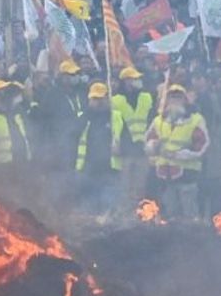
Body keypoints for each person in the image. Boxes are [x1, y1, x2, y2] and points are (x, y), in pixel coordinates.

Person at [144, 84, 209, 219]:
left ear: (185, 100)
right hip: (164, 174)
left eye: (178, 97)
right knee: (169, 213)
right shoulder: (158, 120)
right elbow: (149, 141)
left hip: (188, 174)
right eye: (171, 97)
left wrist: (180, 155)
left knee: (189, 213)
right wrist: (154, 146)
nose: (174, 100)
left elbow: (202, 144)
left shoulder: (196, 119)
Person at [75, 82, 123, 214]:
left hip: (109, 168)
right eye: (94, 99)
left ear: (107, 98)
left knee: (108, 207)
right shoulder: (83, 117)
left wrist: (120, 147)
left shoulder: (116, 117)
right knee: (88, 206)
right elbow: (72, 137)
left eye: (100, 98)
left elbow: (126, 139)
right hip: (87, 168)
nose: (98, 102)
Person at [111, 66, 154, 204]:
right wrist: (115, 142)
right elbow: (114, 126)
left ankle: (140, 214)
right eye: (134, 79)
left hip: (143, 149)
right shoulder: (115, 100)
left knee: (140, 186)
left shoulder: (147, 97)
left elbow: (153, 120)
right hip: (125, 149)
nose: (138, 81)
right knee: (125, 185)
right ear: (126, 81)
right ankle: (125, 214)